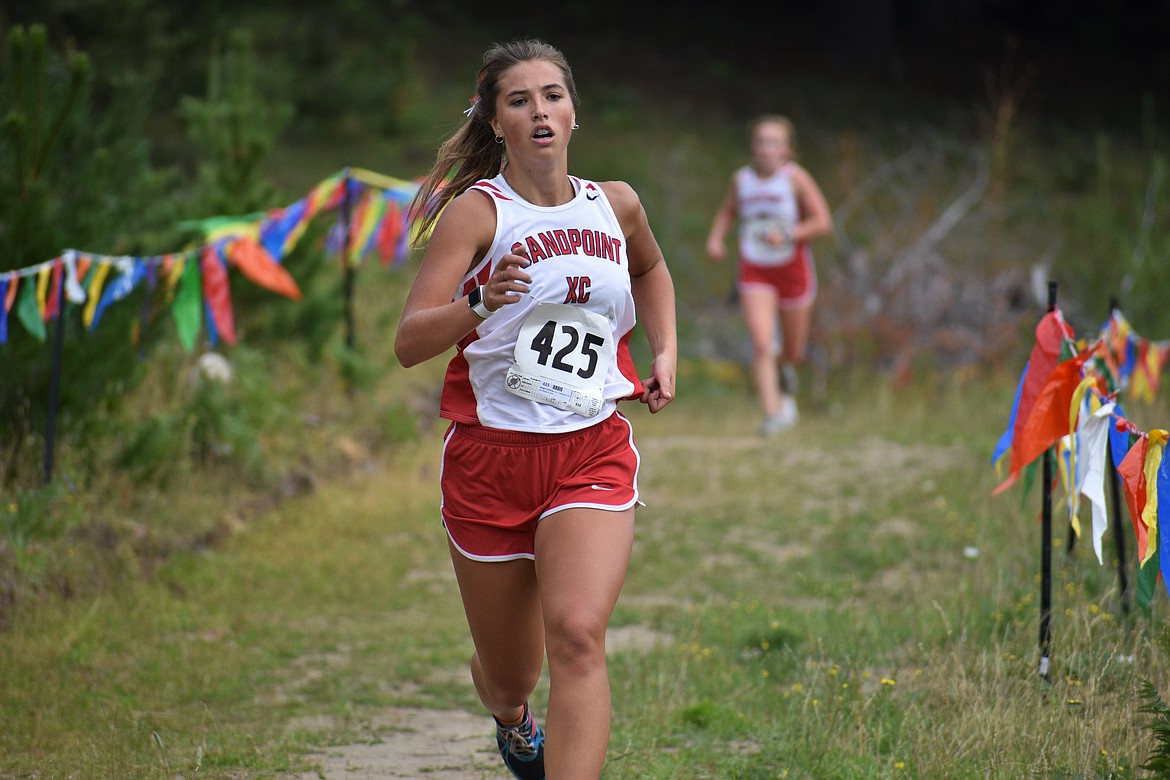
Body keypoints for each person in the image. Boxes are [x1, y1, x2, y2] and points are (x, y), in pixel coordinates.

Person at [394, 39, 677, 780]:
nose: (540, 111)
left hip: (590, 448)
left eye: (552, 95)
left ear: (574, 111)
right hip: (491, 461)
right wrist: (477, 301)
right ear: (495, 121)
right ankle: (513, 721)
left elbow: (649, 267)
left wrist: (665, 348)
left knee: (579, 635)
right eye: (519, 100)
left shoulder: (616, 203)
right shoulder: (476, 215)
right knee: (511, 674)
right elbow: (408, 342)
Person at [705, 114, 832, 435]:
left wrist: (789, 233)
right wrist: (716, 238)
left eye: (774, 142)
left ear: (787, 149)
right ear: (753, 146)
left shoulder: (795, 178)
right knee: (762, 343)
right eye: (761, 141)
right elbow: (728, 210)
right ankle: (773, 415)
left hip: (793, 271)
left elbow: (822, 221)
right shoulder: (741, 179)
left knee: (792, 350)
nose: (767, 148)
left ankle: (786, 374)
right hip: (755, 270)